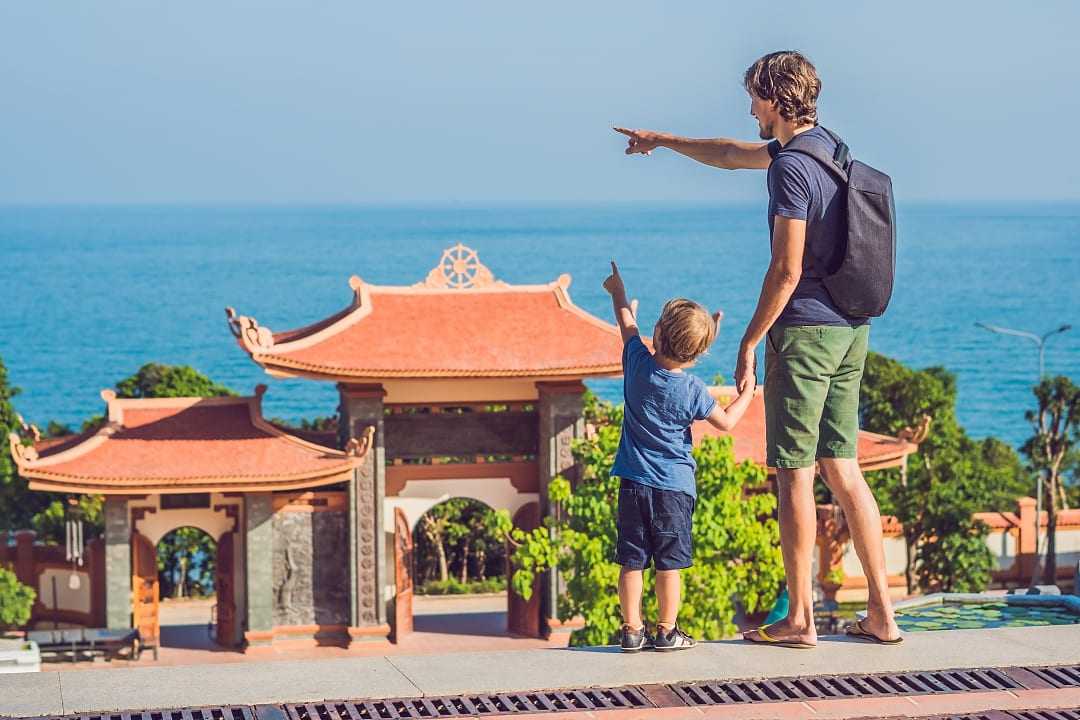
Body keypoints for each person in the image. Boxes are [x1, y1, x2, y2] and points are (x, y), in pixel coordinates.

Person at [613, 50, 902, 648]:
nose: (749, 109)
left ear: (772, 99)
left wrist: (749, 339)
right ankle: (882, 614)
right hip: (852, 327)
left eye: (753, 98)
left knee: (793, 473)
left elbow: (786, 267)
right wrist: (662, 140)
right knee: (843, 469)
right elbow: (727, 153)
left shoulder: (791, 169)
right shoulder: (829, 149)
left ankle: (799, 619)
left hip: (806, 333)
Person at [602, 260, 755, 652]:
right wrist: (747, 394)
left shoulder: (636, 363)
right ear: (700, 353)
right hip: (673, 490)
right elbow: (726, 423)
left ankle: (631, 630)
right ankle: (666, 631)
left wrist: (618, 290)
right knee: (670, 565)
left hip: (633, 485)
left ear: (657, 333)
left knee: (632, 561)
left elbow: (626, 322)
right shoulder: (693, 390)